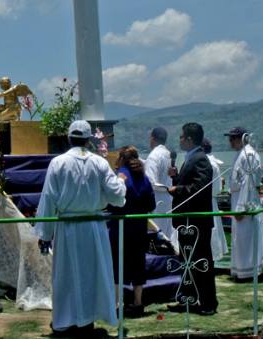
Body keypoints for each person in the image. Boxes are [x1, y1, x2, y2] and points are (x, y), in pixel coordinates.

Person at [35, 120, 127, 336]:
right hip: (94, 228)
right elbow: (117, 195)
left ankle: (67, 320)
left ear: (68, 138)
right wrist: (121, 182)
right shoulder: (99, 163)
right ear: (88, 140)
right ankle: (88, 319)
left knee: (67, 274)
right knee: (94, 274)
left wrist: (45, 233)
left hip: (68, 228)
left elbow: (48, 198)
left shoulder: (58, 163)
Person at [167, 123, 217, 315]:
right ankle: (187, 298)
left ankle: (208, 303)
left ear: (188, 139)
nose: (179, 140)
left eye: (181, 136)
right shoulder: (190, 158)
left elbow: (200, 188)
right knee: (186, 260)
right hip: (187, 219)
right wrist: (176, 178)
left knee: (201, 261)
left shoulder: (200, 159)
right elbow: (189, 184)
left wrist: (177, 189)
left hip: (196, 220)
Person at [107, 146, 155, 318]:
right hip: (139, 227)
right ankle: (138, 302)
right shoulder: (144, 177)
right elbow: (151, 205)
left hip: (121, 226)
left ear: (121, 158)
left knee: (117, 264)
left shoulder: (121, 176)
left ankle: (117, 303)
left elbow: (112, 202)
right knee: (138, 264)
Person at [225, 127, 263, 282]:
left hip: (245, 201)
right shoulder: (241, 154)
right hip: (238, 197)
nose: (230, 142)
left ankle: (248, 272)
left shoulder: (248, 155)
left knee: (247, 237)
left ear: (240, 138)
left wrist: (241, 208)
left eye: (232, 139)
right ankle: (242, 270)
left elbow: (249, 183)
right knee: (241, 238)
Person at [144, 127, 177, 248]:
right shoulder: (168, 154)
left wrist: (165, 188)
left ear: (153, 138)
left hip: (157, 200)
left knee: (158, 235)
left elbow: (150, 182)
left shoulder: (153, 156)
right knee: (169, 234)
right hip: (169, 199)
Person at [202, 139, 229, 261]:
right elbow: (217, 189)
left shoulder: (201, 163)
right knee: (212, 234)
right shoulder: (214, 164)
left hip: (204, 203)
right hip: (211, 202)